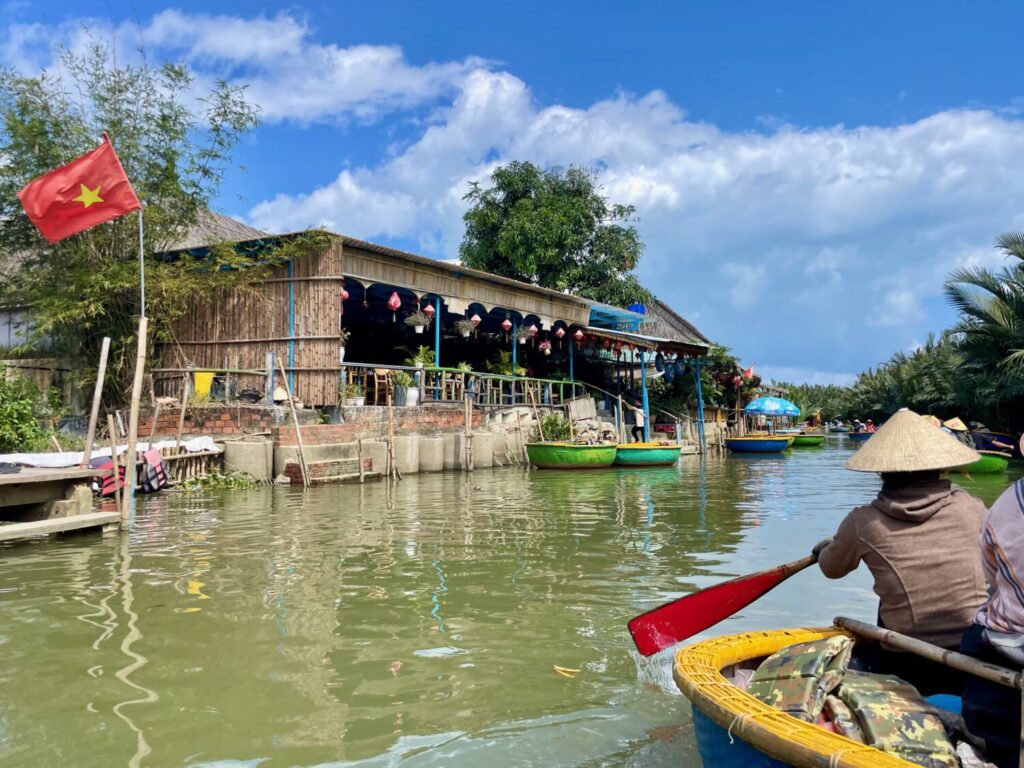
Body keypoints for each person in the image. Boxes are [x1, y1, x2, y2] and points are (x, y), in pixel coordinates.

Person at [812, 408, 988, 694]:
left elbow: (831, 569)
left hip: (908, 660)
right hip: (973, 653)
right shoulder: (972, 507)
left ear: (882, 471)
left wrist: (824, 550)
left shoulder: (863, 522)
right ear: (939, 467)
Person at [960, 436, 1024, 768]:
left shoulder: (1006, 505)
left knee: (976, 635)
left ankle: (989, 742)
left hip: (1011, 643)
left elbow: (991, 575)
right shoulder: (973, 505)